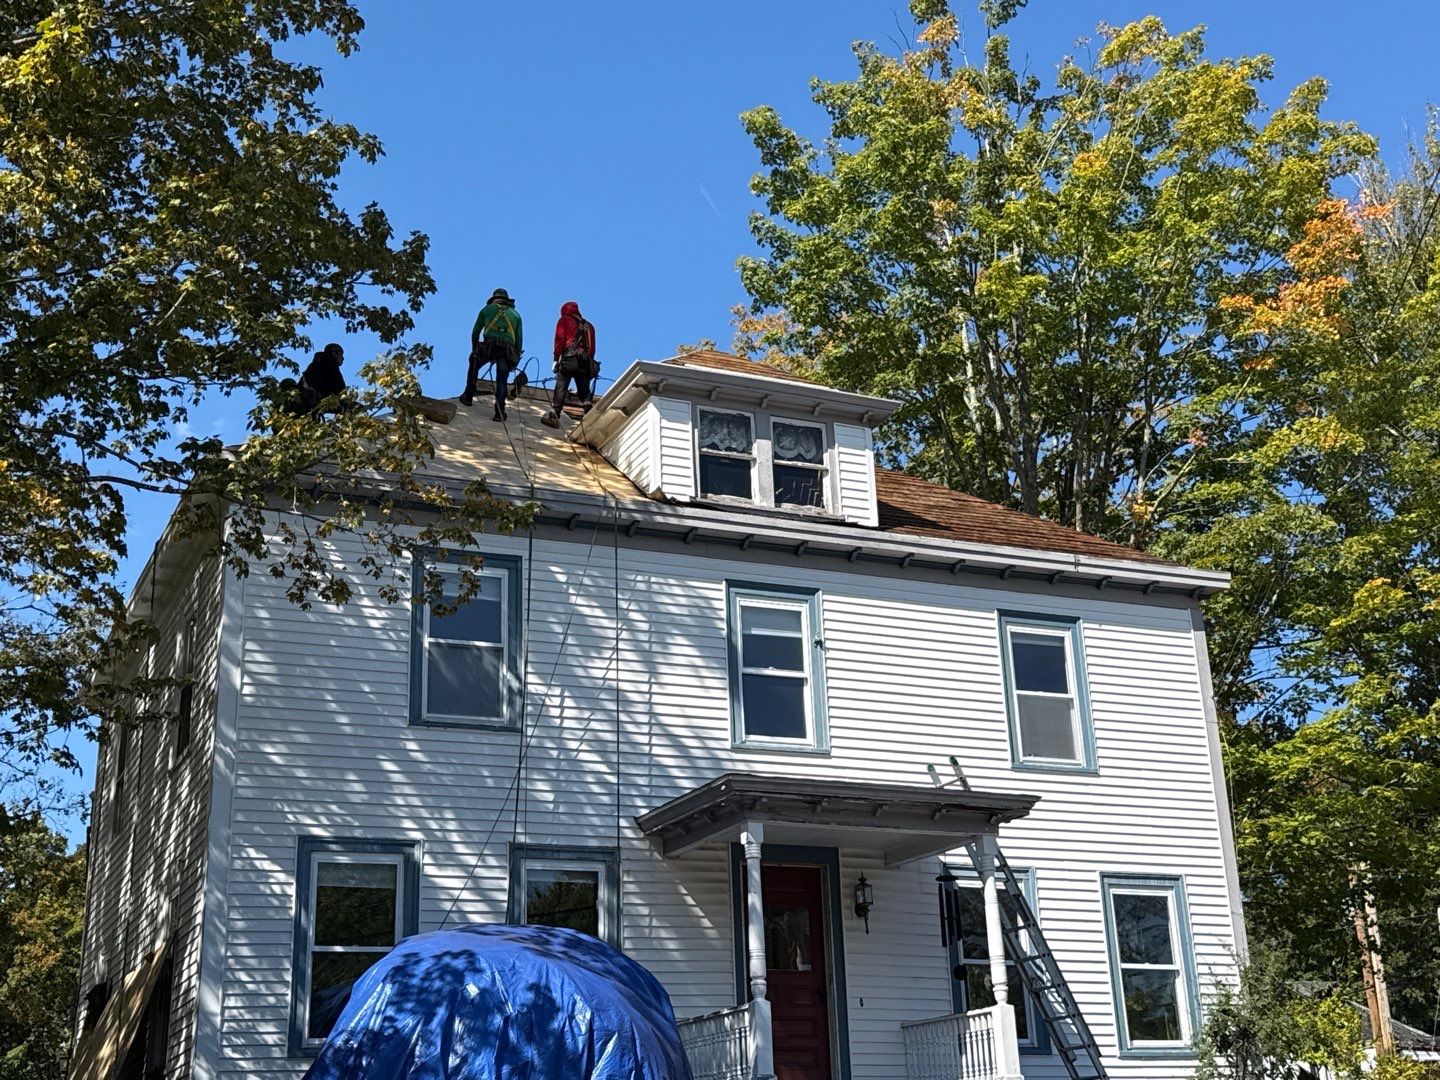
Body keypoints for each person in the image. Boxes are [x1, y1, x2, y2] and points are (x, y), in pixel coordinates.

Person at [462, 288, 523, 421]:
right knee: (502, 381)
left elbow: (475, 332)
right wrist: (515, 356)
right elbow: (519, 340)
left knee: (474, 362)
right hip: (507, 349)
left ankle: (468, 395)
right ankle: (500, 412)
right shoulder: (516, 315)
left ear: (494, 299)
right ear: (507, 300)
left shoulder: (486, 310)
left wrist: (475, 348)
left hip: (489, 345)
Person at [543, 301, 597, 427]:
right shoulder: (589, 326)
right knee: (584, 390)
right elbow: (592, 348)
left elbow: (559, 339)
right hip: (585, 361)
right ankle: (589, 414)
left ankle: (555, 415)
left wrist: (556, 358)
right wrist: (589, 362)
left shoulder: (564, 320)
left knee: (561, 385)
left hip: (569, 359)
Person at [297, 342, 348, 415]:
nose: (343, 358)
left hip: (307, 401)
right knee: (354, 408)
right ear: (335, 353)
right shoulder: (331, 361)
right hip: (319, 399)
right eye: (341, 355)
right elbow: (340, 387)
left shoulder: (313, 365)